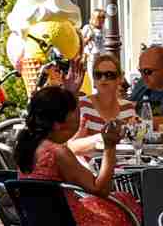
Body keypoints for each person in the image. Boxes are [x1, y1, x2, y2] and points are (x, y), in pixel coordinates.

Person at [17, 84, 140, 226]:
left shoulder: (27, 145)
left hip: (41, 219)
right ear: (58, 123)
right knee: (126, 203)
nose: (79, 115)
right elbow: (101, 189)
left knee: (121, 198)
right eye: (75, 111)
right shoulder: (57, 153)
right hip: (70, 221)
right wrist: (110, 146)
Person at [72, 52, 141, 155]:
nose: (103, 79)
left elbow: (138, 140)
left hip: (123, 166)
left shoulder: (127, 107)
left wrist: (137, 131)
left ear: (119, 79)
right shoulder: (82, 105)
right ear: (94, 80)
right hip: (90, 168)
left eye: (109, 75)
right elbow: (71, 146)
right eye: (98, 75)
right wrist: (103, 138)